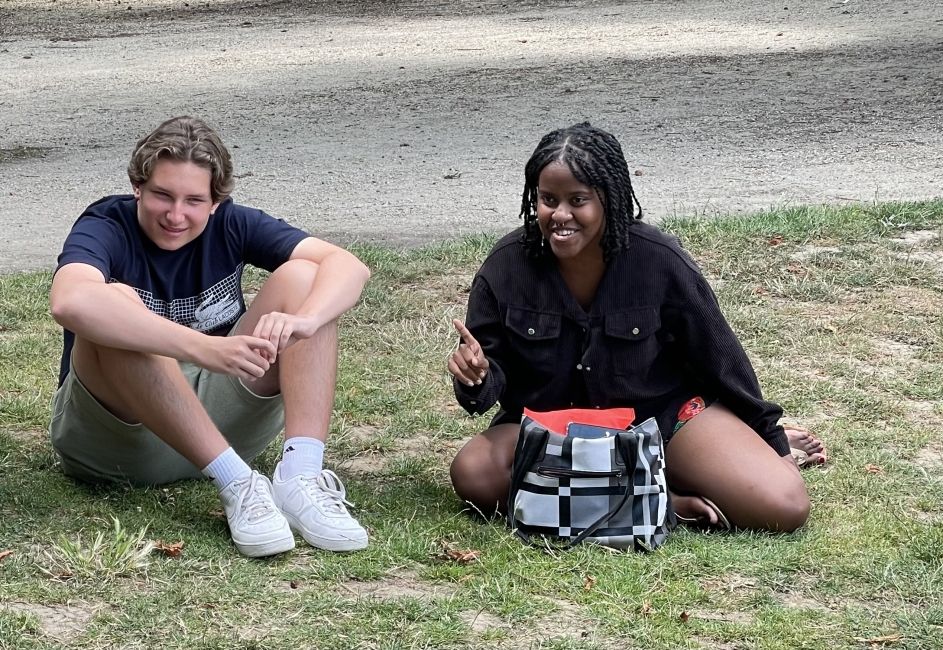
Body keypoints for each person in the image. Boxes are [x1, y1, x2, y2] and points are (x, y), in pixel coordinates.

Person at [447, 122, 826, 532]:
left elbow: (721, 361)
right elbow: (486, 385)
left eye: (578, 200)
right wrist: (476, 377)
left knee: (785, 506)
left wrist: (770, 441)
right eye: (547, 199)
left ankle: (664, 474)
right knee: (475, 475)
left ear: (609, 200)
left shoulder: (659, 260)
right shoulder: (506, 265)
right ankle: (663, 503)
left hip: (659, 424)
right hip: (551, 433)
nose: (560, 215)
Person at [49, 116, 371, 557]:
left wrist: (308, 320)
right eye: (162, 194)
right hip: (118, 442)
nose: (176, 215)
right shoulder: (107, 223)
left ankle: (300, 476)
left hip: (224, 425)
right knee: (115, 301)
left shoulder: (233, 224)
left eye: (194, 200)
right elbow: (70, 302)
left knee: (304, 278)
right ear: (137, 186)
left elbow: (350, 267)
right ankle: (237, 484)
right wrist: (207, 348)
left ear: (216, 202)